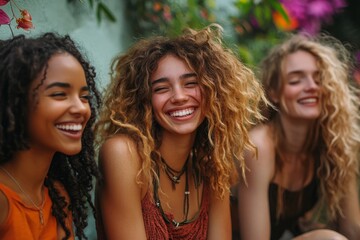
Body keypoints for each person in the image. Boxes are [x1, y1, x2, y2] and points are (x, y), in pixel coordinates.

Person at [95, 24, 266, 239]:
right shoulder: (124, 154)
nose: (179, 96)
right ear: (144, 100)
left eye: (191, 83)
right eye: (161, 88)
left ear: (213, 91)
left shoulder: (212, 164)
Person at [237, 33, 360, 240]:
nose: (311, 86)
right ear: (274, 92)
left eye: (319, 78)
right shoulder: (258, 147)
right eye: (295, 80)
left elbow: (353, 229)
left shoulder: (334, 142)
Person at [0, 33, 101, 239]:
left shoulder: (57, 195)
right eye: (59, 94)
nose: (81, 108)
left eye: (84, 97)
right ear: (15, 103)